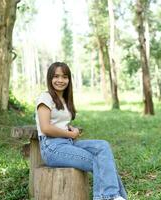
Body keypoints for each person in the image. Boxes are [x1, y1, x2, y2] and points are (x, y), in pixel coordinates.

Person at [35, 62, 127, 200]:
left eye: (64, 77)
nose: (60, 80)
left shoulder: (64, 99)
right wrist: (70, 134)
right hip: (52, 148)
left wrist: (71, 130)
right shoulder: (45, 98)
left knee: (103, 146)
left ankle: (114, 196)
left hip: (68, 143)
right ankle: (110, 197)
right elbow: (46, 128)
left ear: (69, 79)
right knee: (98, 162)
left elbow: (60, 122)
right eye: (56, 76)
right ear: (50, 78)